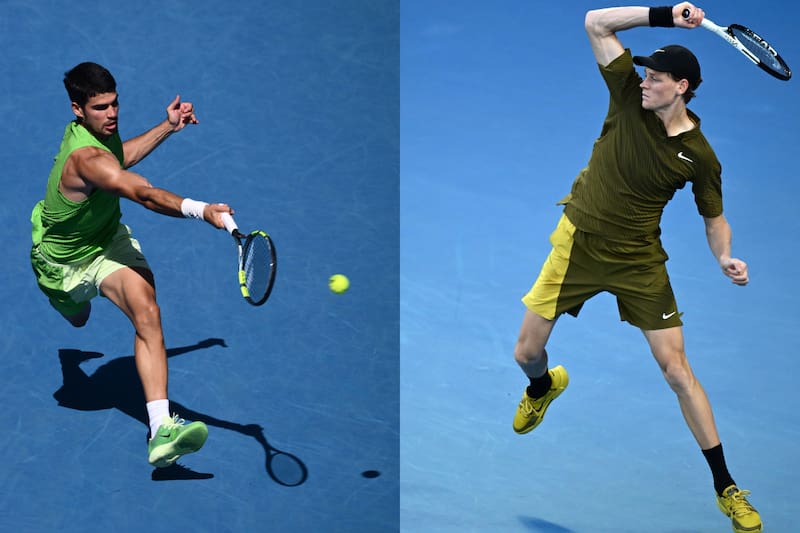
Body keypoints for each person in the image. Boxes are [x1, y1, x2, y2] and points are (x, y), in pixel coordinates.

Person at [511, 4, 761, 532]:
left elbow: (715, 219)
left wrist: (723, 257)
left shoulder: (701, 156)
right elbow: (595, 22)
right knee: (526, 353)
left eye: (656, 78)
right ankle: (542, 388)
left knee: (677, 371)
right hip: (578, 243)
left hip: (638, 261)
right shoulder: (626, 94)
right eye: (645, 75)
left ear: (682, 88)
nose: (644, 82)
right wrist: (667, 14)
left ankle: (726, 487)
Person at [30, 62, 232, 468]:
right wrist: (201, 210)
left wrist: (167, 126)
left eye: (115, 104)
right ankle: (70, 359)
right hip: (62, 264)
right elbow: (143, 194)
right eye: (101, 108)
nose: (113, 114)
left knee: (147, 312)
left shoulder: (101, 136)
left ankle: (161, 430)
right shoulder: (85, 158)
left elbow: (122, 157)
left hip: (105, 243)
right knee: (79, 319)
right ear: (77, 109)